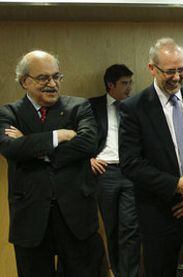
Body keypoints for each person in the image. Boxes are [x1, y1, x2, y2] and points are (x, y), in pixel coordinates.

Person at [0, 50, 104, 276]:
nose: (52, 84)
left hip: (76, 217)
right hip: (31, 218)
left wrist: (32, 148)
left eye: (57, 76)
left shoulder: (79, 107)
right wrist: (59, 136)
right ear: (24, 81)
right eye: (43, 78)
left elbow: (88, 144)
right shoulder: (8, 113)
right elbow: (10, 148)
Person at [118, 37, 183, 277]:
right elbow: (131, 164)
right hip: (158, 212)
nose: (177, 77)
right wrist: (177, 186)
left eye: (182, 70)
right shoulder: (134, 107)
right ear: (152, 68)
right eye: (170, 71)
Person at [89, 64, 140, 277]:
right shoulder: (91, 106)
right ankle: (117, 272)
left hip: (130, 171)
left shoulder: (136, 106)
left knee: (130, 228)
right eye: (124, 83)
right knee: (111, 227)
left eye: (130, 83)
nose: (129, 88)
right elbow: (79, 137)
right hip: (104, 171)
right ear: (110, 85)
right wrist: (87, 159)